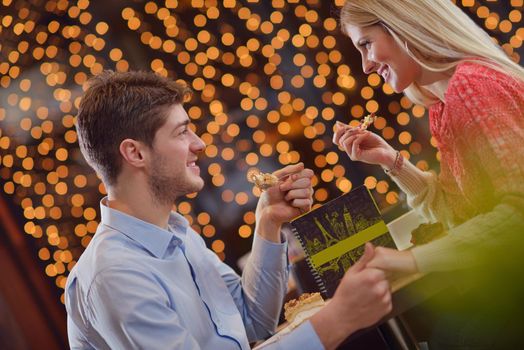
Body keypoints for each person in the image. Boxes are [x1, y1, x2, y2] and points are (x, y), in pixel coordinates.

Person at [65, 70, 392, 350]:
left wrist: (267, 222)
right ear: (135, 153)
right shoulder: (114, 275)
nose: (199, 144)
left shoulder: (177, 233)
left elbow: (252, 323)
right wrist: (336, 321)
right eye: (181, 132)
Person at [334, 0, 524, 348]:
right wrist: (392, 162)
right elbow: (460, 214)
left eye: (366, 44)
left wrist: (410, 260)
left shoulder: (472, 86)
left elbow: (518, 219)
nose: (365, 66)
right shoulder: (444, 106)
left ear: (401, 25)